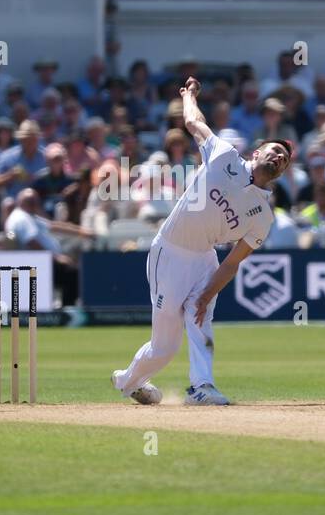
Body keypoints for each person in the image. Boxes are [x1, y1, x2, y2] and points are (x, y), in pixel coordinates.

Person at [111, 77, 291, 407]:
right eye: (276, 150)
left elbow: (234, 261)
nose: (280, 157)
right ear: (258, 151)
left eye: (285, 159)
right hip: (169, 251)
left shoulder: (263, 217)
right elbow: (194, 122)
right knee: (164, 348)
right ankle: (127, 380)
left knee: (199, 314)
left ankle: (202, 387)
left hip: (204, 259)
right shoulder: (225, 155)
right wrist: (189, 94)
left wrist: (208, 293)